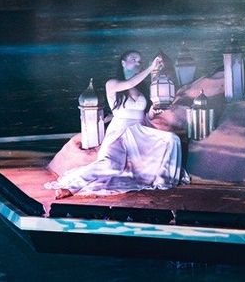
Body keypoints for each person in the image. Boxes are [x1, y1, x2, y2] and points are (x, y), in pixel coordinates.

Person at [45, 51, 186, 198]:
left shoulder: (141, 89)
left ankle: (163, 179)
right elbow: (129, 83)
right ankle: (72, 187)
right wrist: (151, 68)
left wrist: (152, 111)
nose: (138, 63)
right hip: (120, 133)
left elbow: (144, 117)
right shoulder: (112, 84)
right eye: (133, 59)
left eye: (140, 61)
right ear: (123, 63)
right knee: (111, 166)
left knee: (172, 139)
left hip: (138, 132)